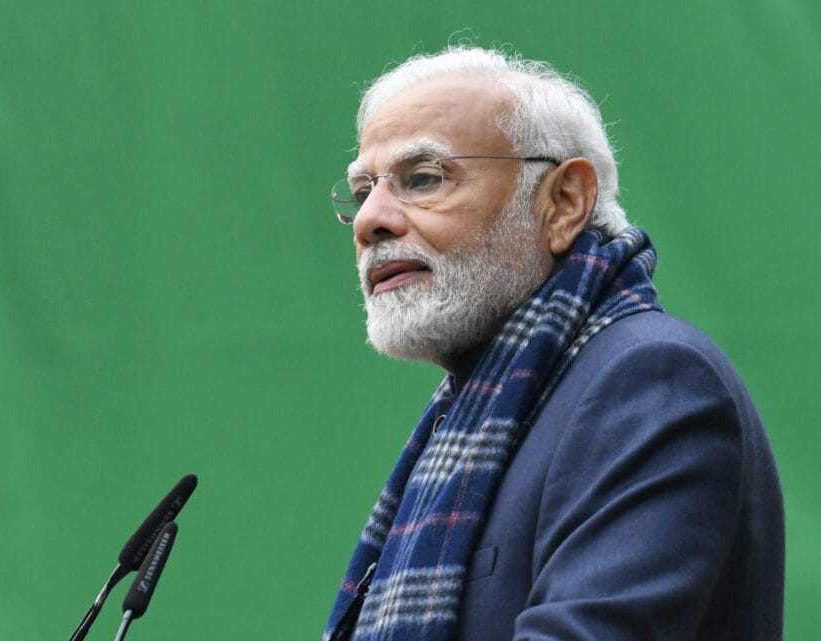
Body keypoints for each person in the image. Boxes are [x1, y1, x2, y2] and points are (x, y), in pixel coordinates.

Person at [323, 46, 783, 641]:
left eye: (424, 179)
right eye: (363, 191)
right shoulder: (478, 409)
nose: (370, 220)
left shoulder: (653, 383)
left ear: (564, 203)